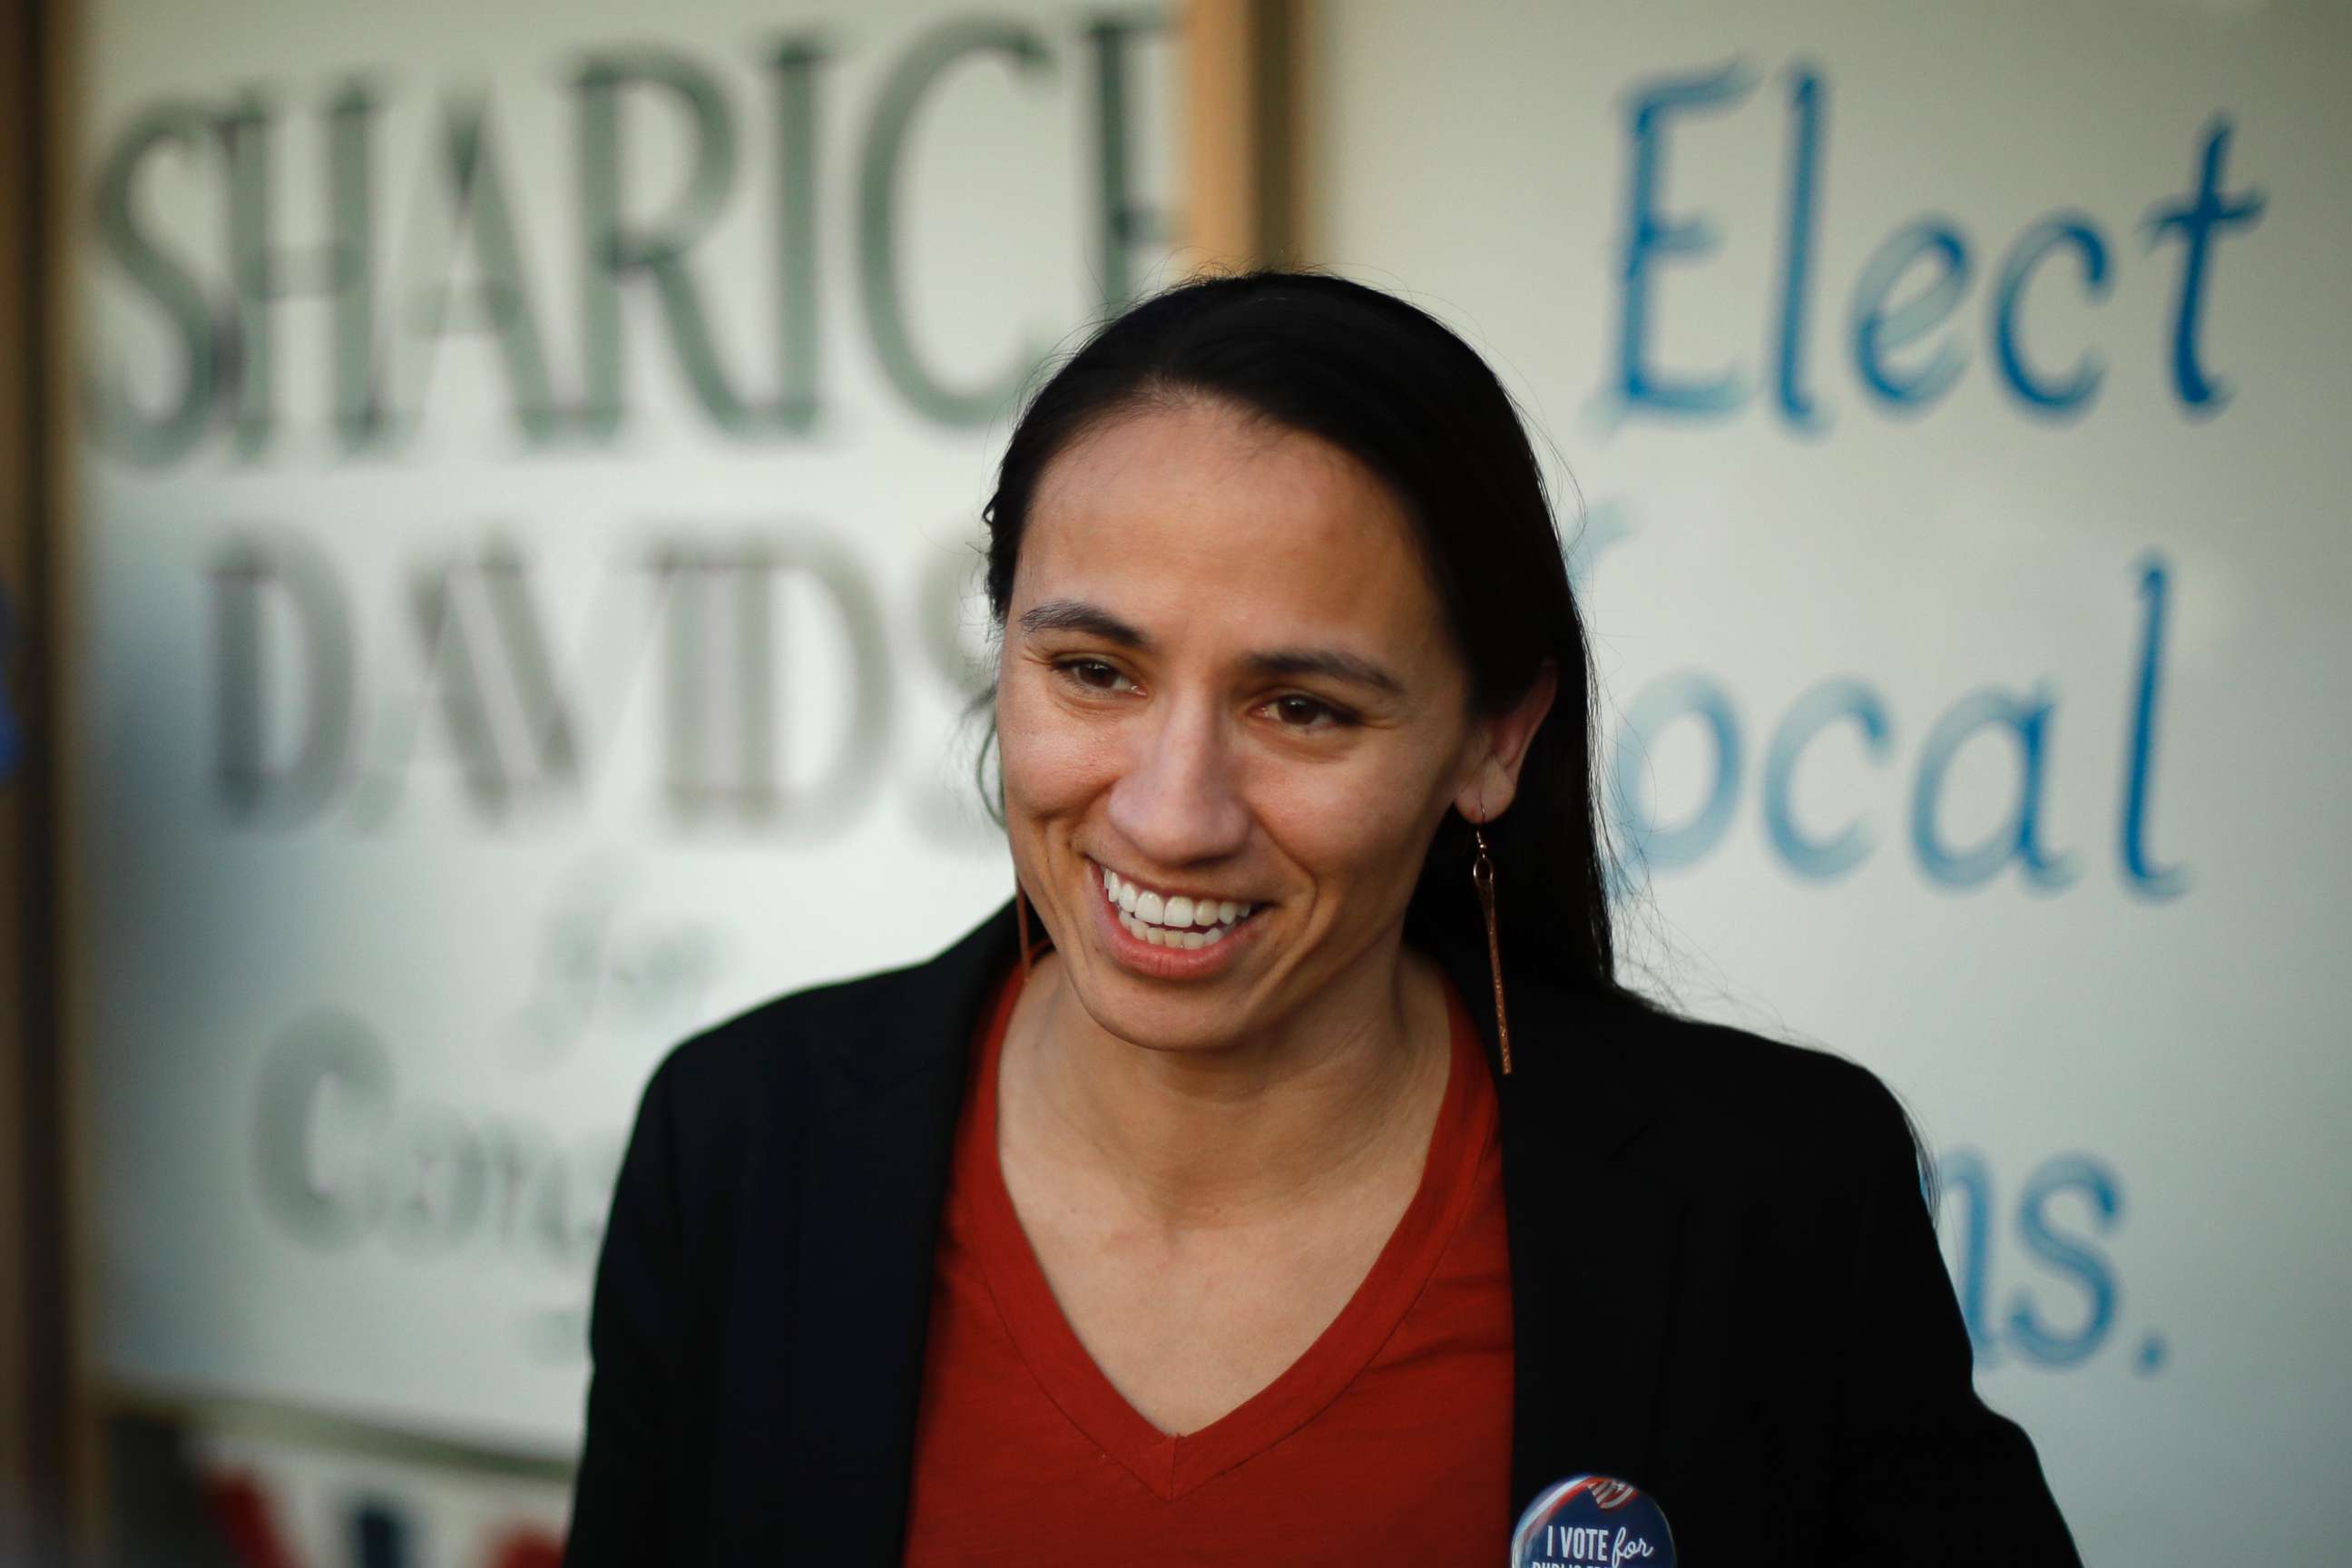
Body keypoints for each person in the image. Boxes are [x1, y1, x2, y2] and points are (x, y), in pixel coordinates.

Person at [560, 271, 2081, 1565]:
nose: (1171, 810)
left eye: (1301, 706)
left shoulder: (1776, 1198)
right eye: (1093, 671)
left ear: (1494, 739)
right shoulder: (740, 1138)